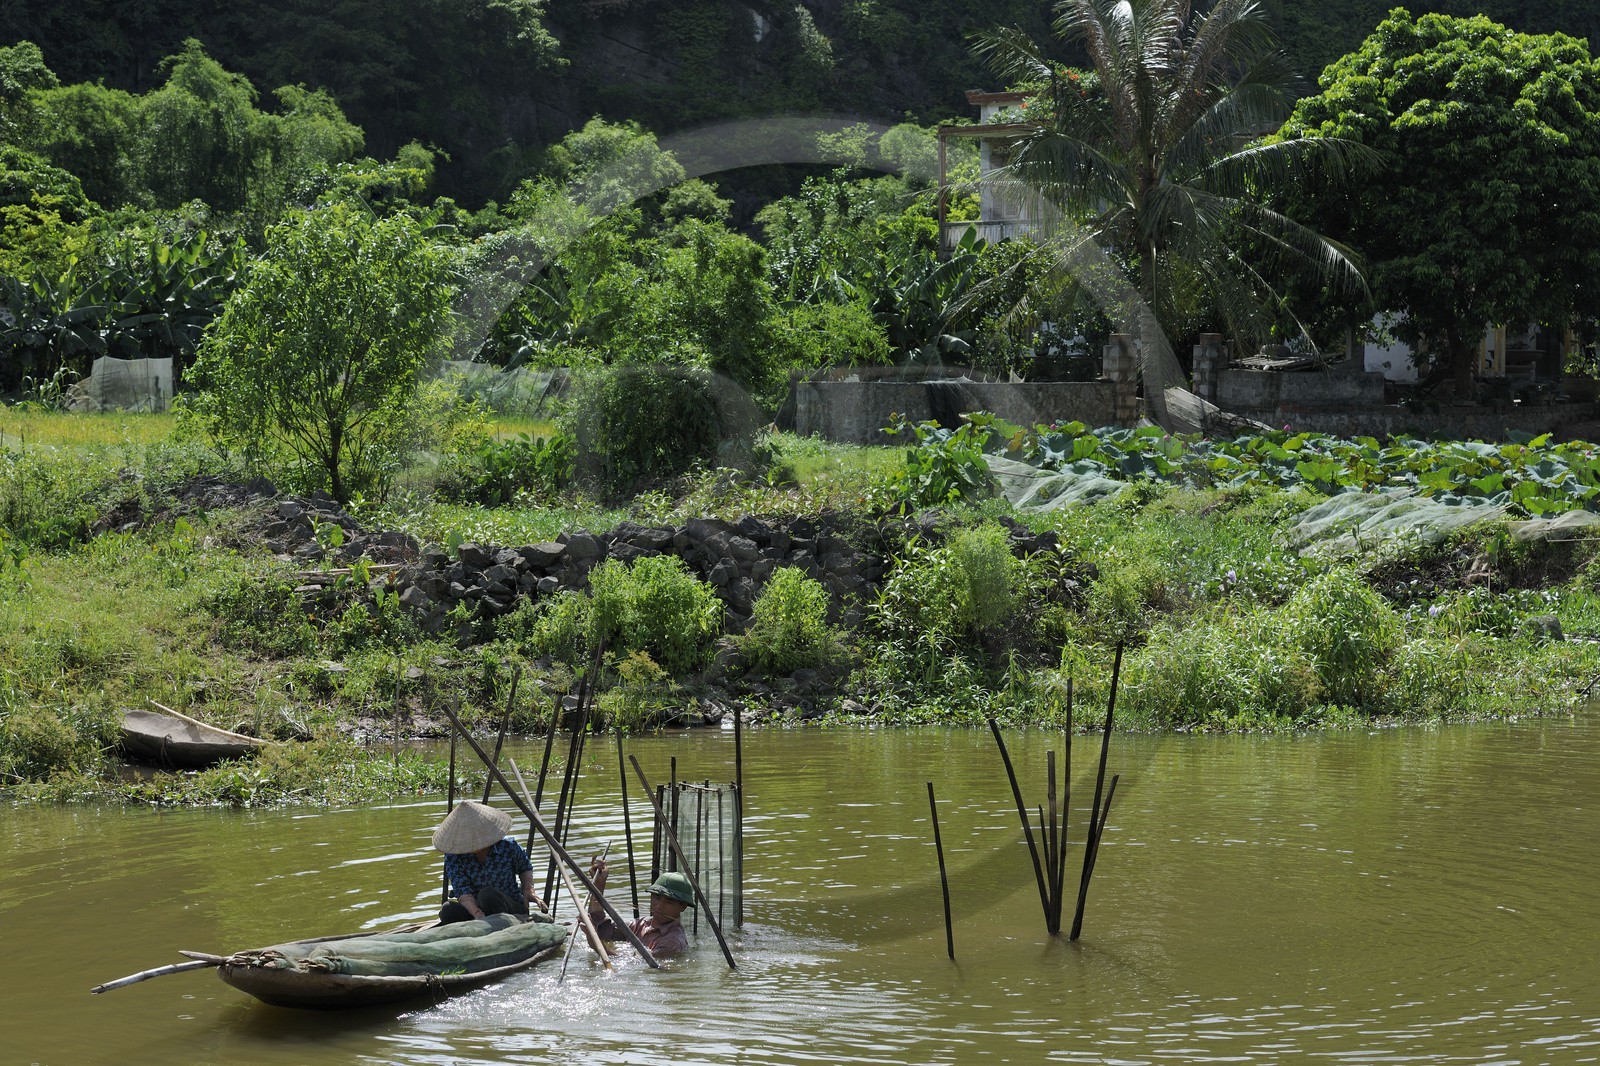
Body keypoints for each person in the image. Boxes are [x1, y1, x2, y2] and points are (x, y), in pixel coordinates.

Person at [432, 800, 544, 924]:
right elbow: (463, 891)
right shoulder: (454, 857)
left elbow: (524, 867)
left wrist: (528, 890)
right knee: (448, 909)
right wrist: (477, 914)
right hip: (476, 913)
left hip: (510, 910)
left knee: (487, 895)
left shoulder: (508, 846)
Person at [586, 856, 694, 956]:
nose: (659, 906)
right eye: (656, 897)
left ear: (683, 907)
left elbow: (636, 963)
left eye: (669, 901)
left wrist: (596, 945)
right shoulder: (641, 924)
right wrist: (599, 884)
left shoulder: (673, 941)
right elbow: (603, 930)